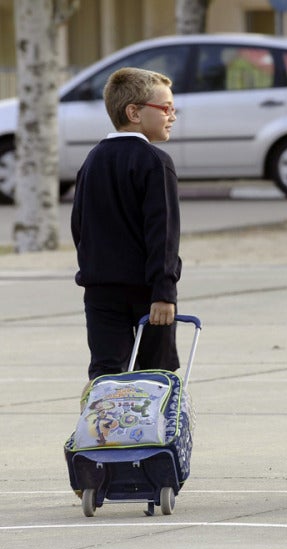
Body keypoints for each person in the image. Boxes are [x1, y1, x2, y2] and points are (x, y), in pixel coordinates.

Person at [71, 67, 182, 384]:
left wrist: (93, 271)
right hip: (148, 292)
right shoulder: (155, 161)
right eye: (166, 108)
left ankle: (101, 430)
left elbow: (79, 226)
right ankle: (151, 433)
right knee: (154, 375)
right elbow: (164, 233)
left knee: (105, 373)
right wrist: (164, 291)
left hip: (100, 290)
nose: (172, 115)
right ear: (134, 112)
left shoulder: (92, 160)